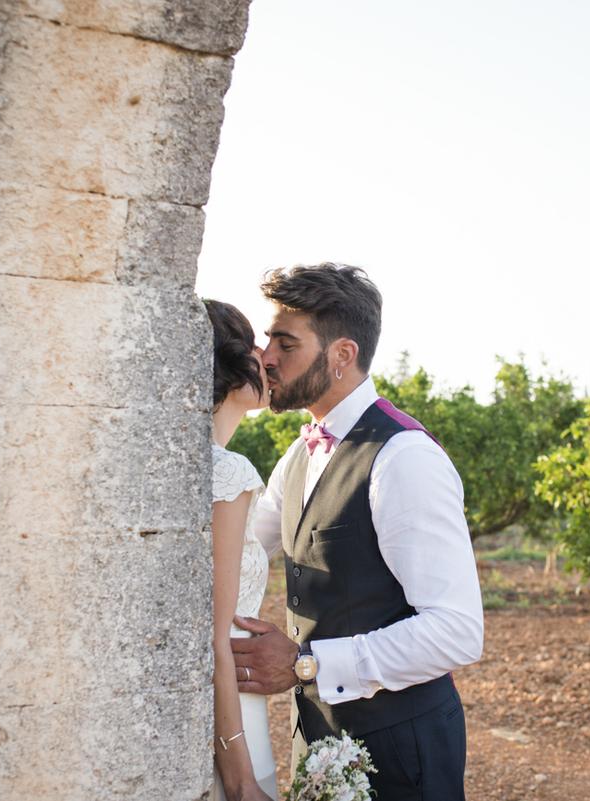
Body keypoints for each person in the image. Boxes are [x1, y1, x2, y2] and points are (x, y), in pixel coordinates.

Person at [230, 264, 484, 800]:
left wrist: (306, 664)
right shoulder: (297, 456)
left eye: (285, 343)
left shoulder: (404, 458)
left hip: (400, 753)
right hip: (317, 739)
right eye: (266, 339)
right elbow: (241, 548)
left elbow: (456, 631)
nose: (266, 358)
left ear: (342, 355)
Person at [205, 299, 278, 801]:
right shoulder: (229, 472)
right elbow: (214, 632)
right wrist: (240, 776)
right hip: (232, 715)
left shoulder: (197, 462)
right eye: (253, 343)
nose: (266, 356)